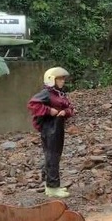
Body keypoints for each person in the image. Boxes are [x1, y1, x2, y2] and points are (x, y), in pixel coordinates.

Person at [27, 67, 75, 198]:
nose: (62, 81)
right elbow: (33, 104)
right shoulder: (46, 93)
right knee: (52, 156)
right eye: (59, 78)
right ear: (51, 80)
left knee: (55, 156)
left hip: (58, 127)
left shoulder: (59, 94)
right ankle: (52, 187)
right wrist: (49, 111)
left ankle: (52, 185)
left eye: (63, 78)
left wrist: (65, 112)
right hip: (49, 128)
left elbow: (70, 107)